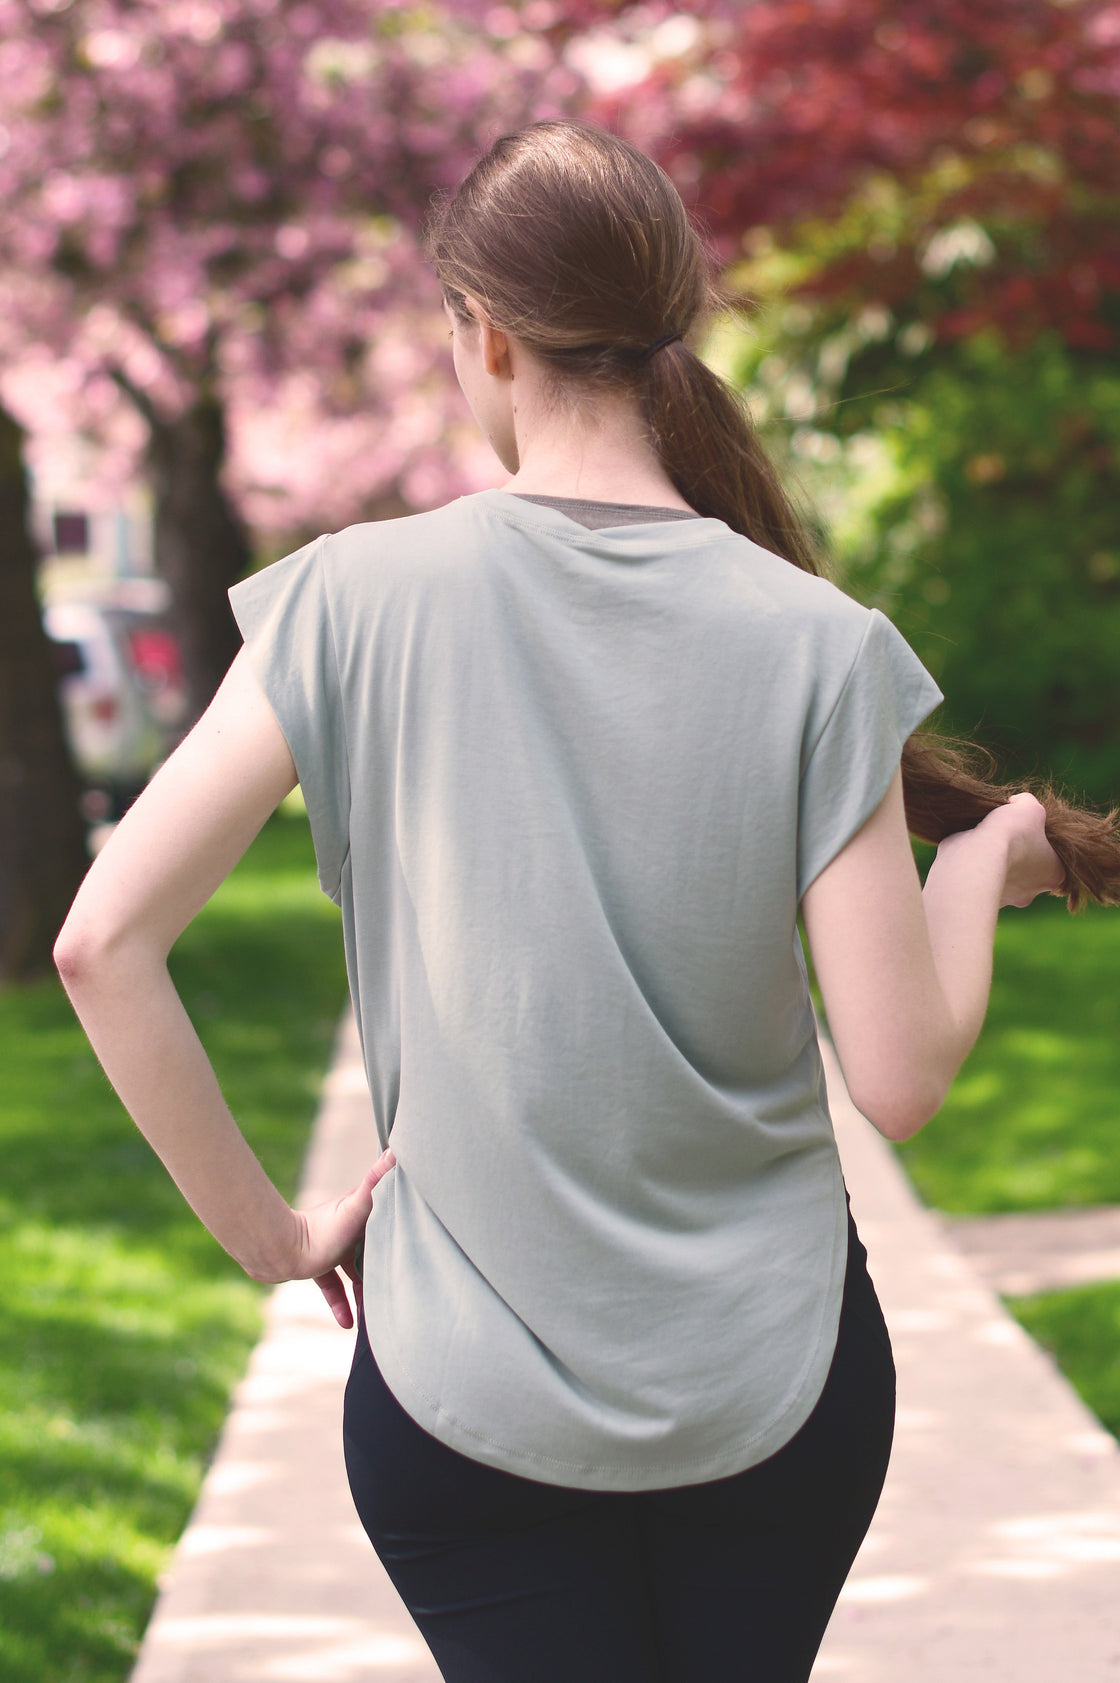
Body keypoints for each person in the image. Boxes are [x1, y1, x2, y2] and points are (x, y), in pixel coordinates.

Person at [55, 121, 1109, 1683]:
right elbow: (899, 1078)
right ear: (668, 327)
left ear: (483, 332)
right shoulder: (819, 641)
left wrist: (278, 1238)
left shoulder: (346, 600)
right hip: (783, 1386)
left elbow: (100, 943)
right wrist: (979, 866)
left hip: (457, 1399)